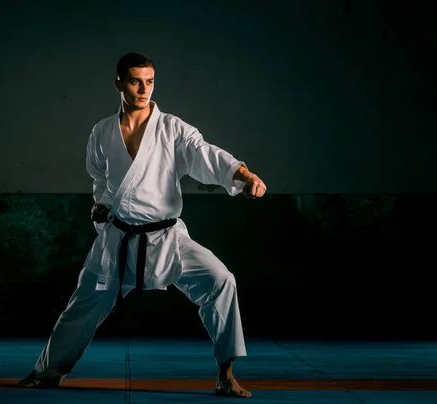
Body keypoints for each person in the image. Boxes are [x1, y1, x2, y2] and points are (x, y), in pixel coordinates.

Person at [18, 52, 267, 398]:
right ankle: (45, 372)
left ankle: (226, 374)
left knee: (222, 281)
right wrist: (101, 207)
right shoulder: (102, 132)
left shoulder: (172, 129)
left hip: (166, 236)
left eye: (149, 81)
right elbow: (100, 179)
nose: (143, 89)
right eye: (135, 81)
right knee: (82, 305)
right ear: (118, 82)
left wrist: (245, 175)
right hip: (118, 237)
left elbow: (206, 154)